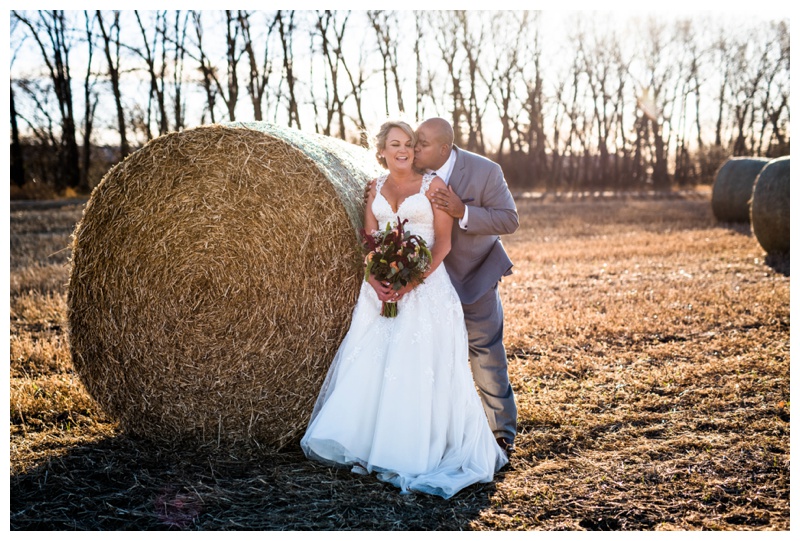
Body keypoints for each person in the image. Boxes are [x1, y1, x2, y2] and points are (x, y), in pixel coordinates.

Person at [301, 120, 508, 499]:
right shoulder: (374, 188)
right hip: (379, 290)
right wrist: (377, 278)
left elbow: (443, 244)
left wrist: (409, 282)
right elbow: (369, 241)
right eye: (394, 144)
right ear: (381, 150)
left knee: (415, 367)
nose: (404, 150)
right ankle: (366, 447)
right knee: (372, 364)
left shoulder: (433, 186)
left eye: (409, 144)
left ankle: (409, 450)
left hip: (426, 288)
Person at [410, 118, 519, 455]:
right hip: (427, 283)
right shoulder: (408, 172)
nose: (414, 149)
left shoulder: (485, 171)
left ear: (444, 149)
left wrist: (463, 210)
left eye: (422, 143)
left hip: (475, 275)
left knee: (485, 353)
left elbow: (509, 219)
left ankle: (501, 432)